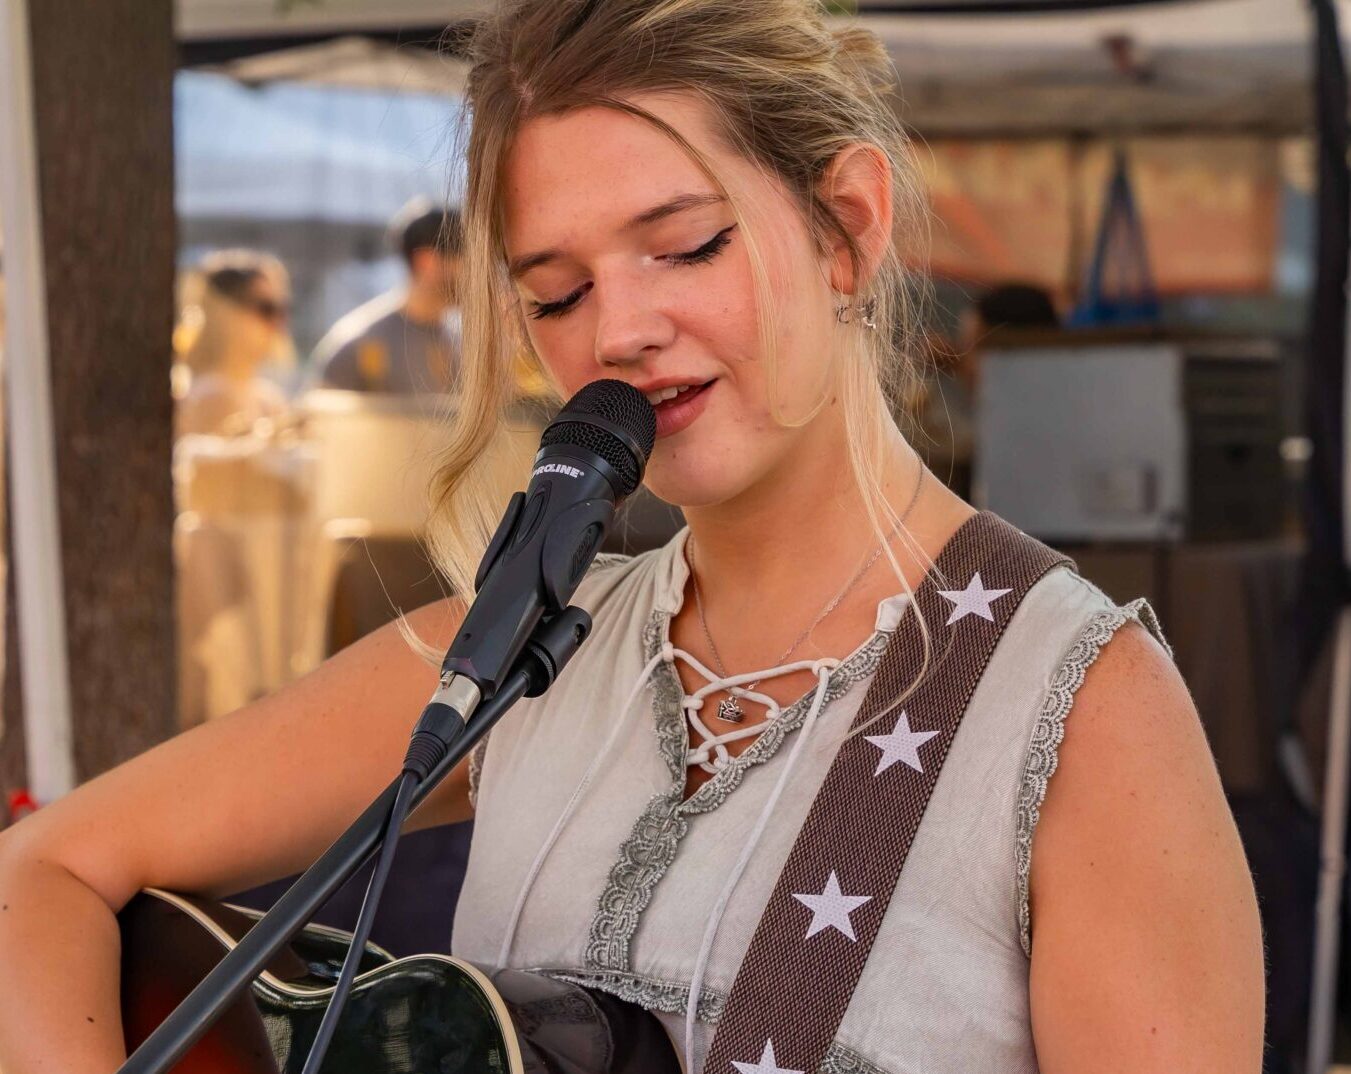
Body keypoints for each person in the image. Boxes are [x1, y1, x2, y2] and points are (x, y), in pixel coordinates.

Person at [0, 3, 1263, 1072]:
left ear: (849, 227)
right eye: (556, 291)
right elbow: (38, 871)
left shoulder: (1081, 710)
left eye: (684, 246)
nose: (618, 333)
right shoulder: (509, 661)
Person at [308, 200, 464, 394]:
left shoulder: (460, 342)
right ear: (426, 262)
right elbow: (320, 419)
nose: (479, 277)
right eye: (466, 260)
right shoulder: (358, 344)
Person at [173, 250, 292, 438]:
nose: (277, 322)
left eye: (281, 309)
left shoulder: (267, 398)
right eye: (265, 308)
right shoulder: (210, 396)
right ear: (224, 313)